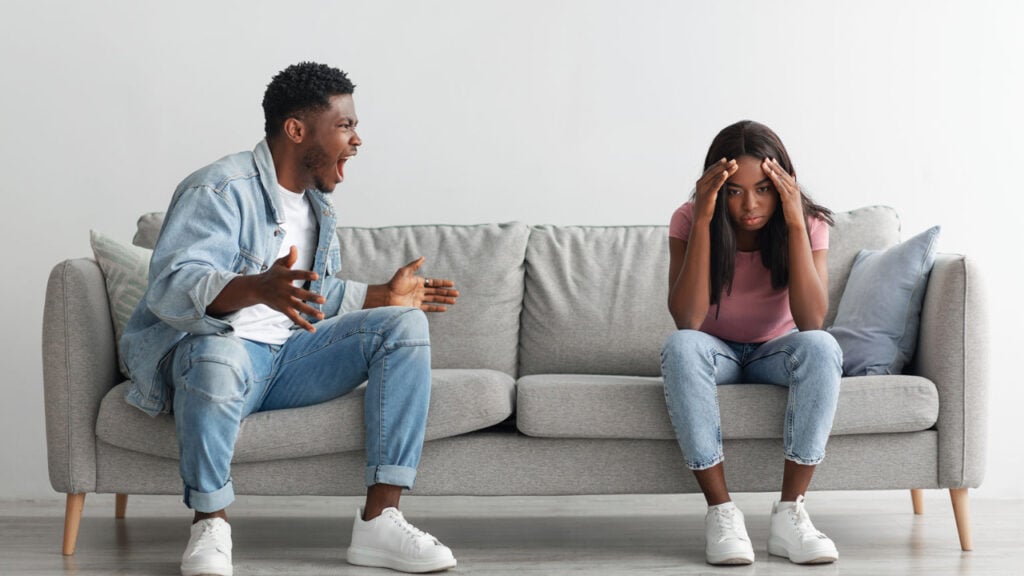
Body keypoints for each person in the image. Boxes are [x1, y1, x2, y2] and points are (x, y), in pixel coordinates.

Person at [121, 62, 459, 575]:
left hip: (288, 358)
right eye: (345, 125)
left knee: (404, 324)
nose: (357, 139)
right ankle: (210, 524)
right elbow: (172, 288)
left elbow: (308, 293)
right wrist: (256, 287)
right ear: (297, 130)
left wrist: (381, 295)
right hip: (217, 352)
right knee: (217, 357)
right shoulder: (217, 189)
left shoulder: (317, 206)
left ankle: (380, 520)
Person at [661, 120, 842, 565]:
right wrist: (703, 219)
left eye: (763, 189)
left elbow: (811, 319)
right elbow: (687, 318)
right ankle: (722, 513)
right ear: (716, 189)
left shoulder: (809, 222)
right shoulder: (689, 219)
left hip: (775, 352)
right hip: (714, 351)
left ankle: (790, 514)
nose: (750, 205)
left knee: (822, 346)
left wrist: (796, 221)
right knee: (680, 345)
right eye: (734, 192)